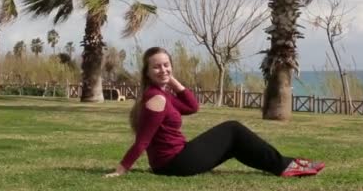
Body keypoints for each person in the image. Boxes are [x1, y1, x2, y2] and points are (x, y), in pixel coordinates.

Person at [104, 47, 324, 178]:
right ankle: (285, 165)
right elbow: (142, 141)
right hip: (174, 163)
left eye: (166, 65)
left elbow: (192, 107)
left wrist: (173, 81)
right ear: (147, 72)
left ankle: (283, 165)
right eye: (157, 67)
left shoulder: (163, 94)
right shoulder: (157, 99)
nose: (163, 70)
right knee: (233, 129)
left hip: (177, 158)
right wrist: (121, 169)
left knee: (236, 146)